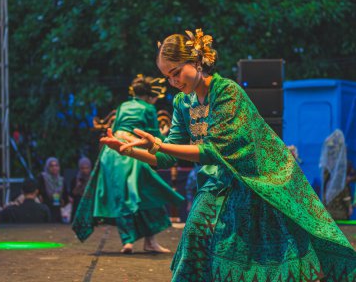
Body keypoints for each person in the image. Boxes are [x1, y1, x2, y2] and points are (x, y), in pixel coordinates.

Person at [101, 29, 356, 281]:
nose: (174, 82)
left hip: (260, 180)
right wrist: (132, 151)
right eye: (168, 77)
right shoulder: (183, 103)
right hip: (220, 182)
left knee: (274, 254)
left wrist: (158, 145)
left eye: (176, 72)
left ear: (197, 62)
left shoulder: (227, 92)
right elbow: (167, 157)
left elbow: (213, 150)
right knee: (195, 235)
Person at [72, 75, 185, 254]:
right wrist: (165, 135)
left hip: (112, 152)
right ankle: (148, 241)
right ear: (149, 95)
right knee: (148, 193)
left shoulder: (123, 106)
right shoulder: (148, 108)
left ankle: (129, 241)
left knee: (122, 197)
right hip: (129, 150)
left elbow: (115, 129)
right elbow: (155, 136)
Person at [320, 130, 356, 220]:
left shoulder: (345, 166)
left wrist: (348, 179)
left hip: (339, 207)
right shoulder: (328, 169)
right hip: (332, 208)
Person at [37, 157, 69, 223]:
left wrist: (63, 201)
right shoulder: (42, 177)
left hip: (58, 208)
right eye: (51, 166)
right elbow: (38, 192)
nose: (54, 168)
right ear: (47, 167)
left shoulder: (61, 180)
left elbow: (66, 197)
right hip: (46, 208)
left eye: (56, 165)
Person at [70, 157, 92, 221]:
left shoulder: (93, 179)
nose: (85, 170)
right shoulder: (75, 179)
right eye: (82, 168)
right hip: (79, 202)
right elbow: (72, 195)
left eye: (87, 168)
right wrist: (78, 186)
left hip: (90, 201)